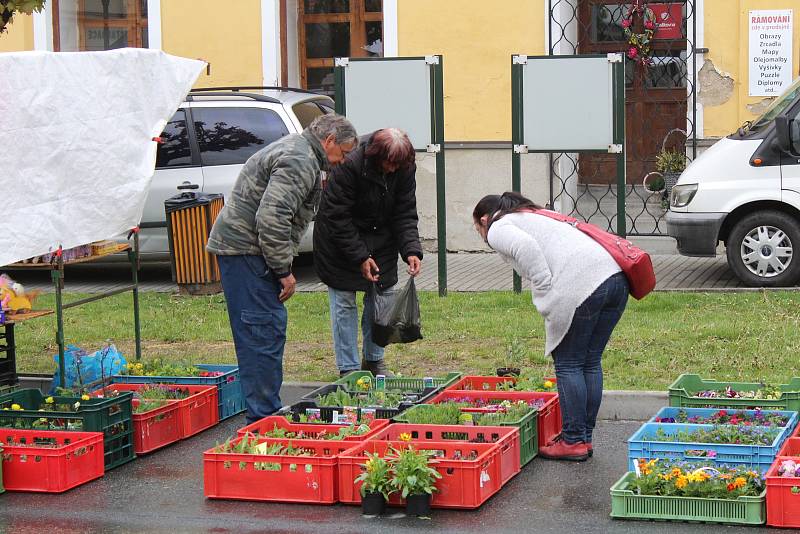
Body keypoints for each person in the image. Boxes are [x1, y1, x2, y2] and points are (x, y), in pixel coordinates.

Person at [207, 114, 358, 424]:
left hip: (244, 249)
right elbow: (272, 218)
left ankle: (264, 416)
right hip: (247, 252)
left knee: (262, 331)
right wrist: (282, 270)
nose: (343, 161)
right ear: (328, 141)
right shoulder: (300, 160)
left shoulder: (300, 152)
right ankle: (263, 423)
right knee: (262, 332)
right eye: (343, 153)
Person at [472, 192, 628, 461]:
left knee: (568, 363)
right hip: (615, 279)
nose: (481, 235)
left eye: (478, 229)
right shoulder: (531, 215)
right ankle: (583, 437)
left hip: (582, 286)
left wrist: (544, 293)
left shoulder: (498, 227)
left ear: (484, 219)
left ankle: (573, 441)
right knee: (589, 361)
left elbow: (528, 250)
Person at [313, 128, 423, 377]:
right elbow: (337, 217)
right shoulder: (349, 164)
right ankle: (349, 369)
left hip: (381, 240)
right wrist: (361, 256)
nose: (393, 169)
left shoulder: (404, 167)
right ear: (375, 156)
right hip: (339, 241)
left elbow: (405, 211)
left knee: (382, 298)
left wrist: (411, 249)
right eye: (389, 164)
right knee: (344, 304)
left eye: (398, 165)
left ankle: (374, 362)